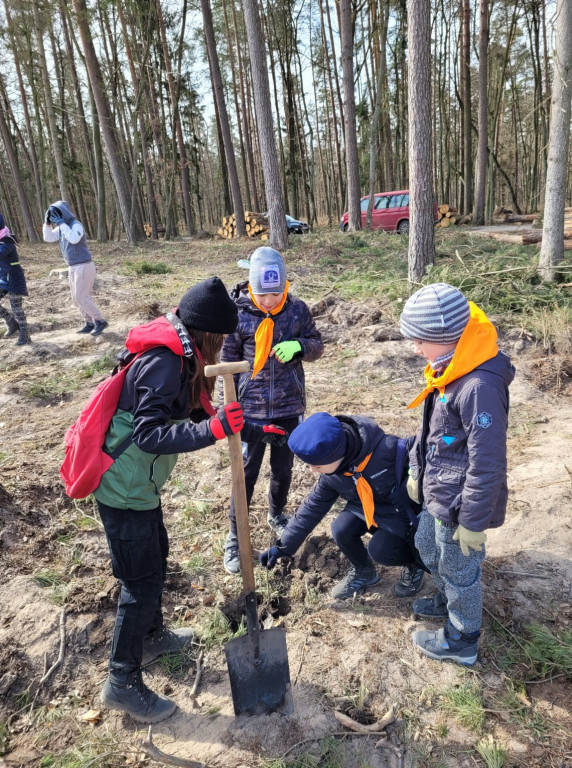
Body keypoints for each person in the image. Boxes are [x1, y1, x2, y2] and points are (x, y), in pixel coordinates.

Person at [94, 277, 287, 723]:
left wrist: (252, 429)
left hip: (141, 485)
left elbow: (202, 411)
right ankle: (121, 680)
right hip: (123, 488)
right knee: (138, 583)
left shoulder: (182, 354)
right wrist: (210, 432)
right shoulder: (164, 362)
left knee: (156, 560)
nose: (222, 346)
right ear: (207, 333)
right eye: (220, 338)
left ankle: (153, 633)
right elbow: (149, 432)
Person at [400, 282, 514, 666]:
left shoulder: (478, 385)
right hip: (440, 490)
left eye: (420, 340)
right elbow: (430, 427)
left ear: (445, 337)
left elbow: (487, 461)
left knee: (460, 567)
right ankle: (449, 596)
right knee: (428, 547)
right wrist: (417, 467)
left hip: (462, 502)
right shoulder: (447, 368)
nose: (415, 348)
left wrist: (474, 520)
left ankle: (462, 637)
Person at [220, 247, 324, 574]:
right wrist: (231, 402)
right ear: (252, 287)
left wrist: (300, 347)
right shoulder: (237, 315)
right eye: (263, 295)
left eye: (276, 294)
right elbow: (227, 362)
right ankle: (236, 536)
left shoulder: (296, 311)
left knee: (283, 468)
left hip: (288, 406)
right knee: (245, 473)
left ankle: (277, 513)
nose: (269, 301)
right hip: (250, 411)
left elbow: (317, 344)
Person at [259, 411, 427, 600]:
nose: (313, 471)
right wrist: (283, 547)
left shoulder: (387, 450)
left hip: (398, 513)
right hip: (365, 507)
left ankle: (413, 564)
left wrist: (408, 486)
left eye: (317, 466)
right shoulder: (333, 475)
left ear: (336, 454)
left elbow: (429, 450)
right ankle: (364, 571)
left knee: (381, 550)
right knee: (340, 529)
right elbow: (311, 509)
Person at [43, 201, 108, 336]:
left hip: (84, 265)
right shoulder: (62, 228)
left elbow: (73, 239)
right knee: (75, 297)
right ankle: (89, 323)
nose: (55, 217)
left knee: (81, 296)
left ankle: (100, 320)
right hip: (72, 266)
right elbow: (48, 237)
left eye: (57, 214)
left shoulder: (75, 225)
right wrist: (47, 223)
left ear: (63, 213)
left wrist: (61, 223)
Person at [0, 212, 30, 345]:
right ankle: (11, 323)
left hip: (14, 280)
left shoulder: (7, 242)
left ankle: (25, 334)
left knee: (16, 308)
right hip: (4, 278)